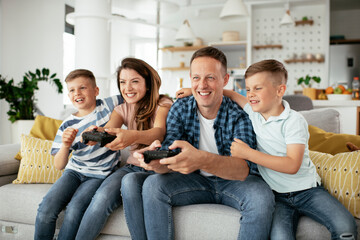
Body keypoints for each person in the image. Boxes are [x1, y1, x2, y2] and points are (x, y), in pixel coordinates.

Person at [129, 46, 275, 240]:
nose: (202, 85)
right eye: (196, 78)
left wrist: (200, 159)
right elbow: (169, 156)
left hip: (234, 183)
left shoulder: (240, 114)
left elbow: (243, 169)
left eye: (210, 78)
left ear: (225, 80)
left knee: (261, 195)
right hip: (194, 180)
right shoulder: (180, 109)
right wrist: (156, 162)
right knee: (152, 185)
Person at [226, 59, 357, 239]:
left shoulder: (294, 121)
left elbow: (292, 165)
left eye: (258, 88)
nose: (250, 94)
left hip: (308, 191)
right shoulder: (253, 113)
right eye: (248, 89)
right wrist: (192, 92)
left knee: (346, 227)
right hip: (276, 197)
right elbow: (233, 95)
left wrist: (248, 153)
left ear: (280, 90)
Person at [74, 57, 173, 240]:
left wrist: (132, 136)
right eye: (122, 82)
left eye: (135, 81)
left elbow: (158, 132)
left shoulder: (163, 104)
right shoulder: (121, 109)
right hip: (132, 166)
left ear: (148, 84)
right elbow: (109, 130)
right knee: (101, 199)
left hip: (157, 167)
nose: (127, 88)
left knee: (129, 184)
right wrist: (96, 133)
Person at [34, 69, 123, 240]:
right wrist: (66, 145)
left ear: (96, 91)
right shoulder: (67, 124)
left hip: (98, 176)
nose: (77, 93)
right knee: (46, 208)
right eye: (72, 90)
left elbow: (134, 95)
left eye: (82, 88)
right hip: (74, 172)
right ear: (68, 95)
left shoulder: (108, 105)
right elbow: (59, 165)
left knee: (75, 208)